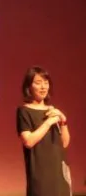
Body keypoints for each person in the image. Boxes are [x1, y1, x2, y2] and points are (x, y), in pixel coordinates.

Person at [16, 66, 71, 196]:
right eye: (38, 83)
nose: (43, 87)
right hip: (40, 174)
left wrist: (63, 121)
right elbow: (28, 141)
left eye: (46, 83)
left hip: (59, 172)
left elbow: (64, 143)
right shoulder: (24, 111)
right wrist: (48, 122)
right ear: (29, 87)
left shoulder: (52, 110)